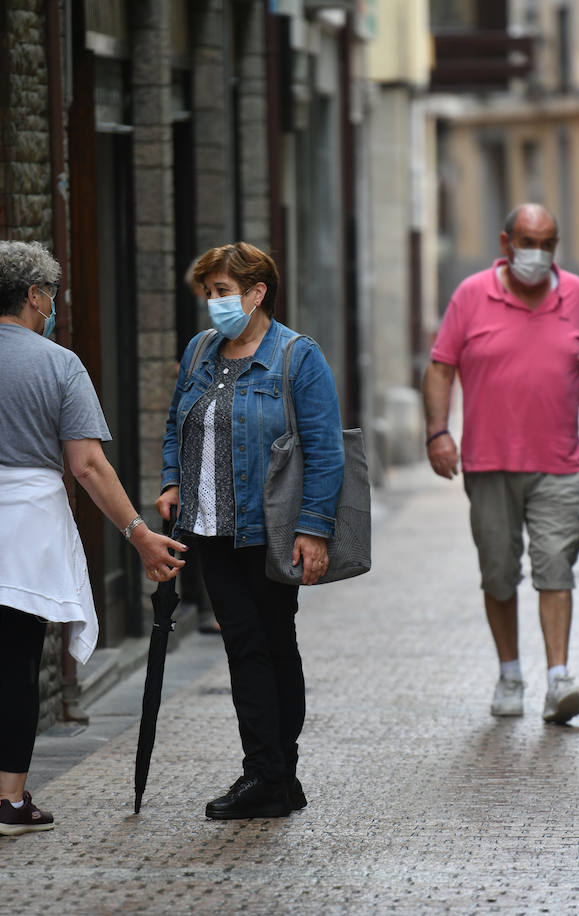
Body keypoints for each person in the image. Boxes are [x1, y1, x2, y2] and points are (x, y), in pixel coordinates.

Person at [0, 241, 185, 835]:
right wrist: (139, 536)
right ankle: (11, 802)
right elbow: (86, 465)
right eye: (49, 295)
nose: (51, 305)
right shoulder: (60, 364)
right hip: (24, 518)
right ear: (33, 296)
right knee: (20, 656)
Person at [157, 241, 344, 820]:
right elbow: (175, 425)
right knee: (247, 645)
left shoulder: (297, 357)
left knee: (273, 644)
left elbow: (325, 450)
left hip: (270, 529)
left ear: (257, 292)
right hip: (209, 529)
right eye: (208, 293)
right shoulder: (199, 353)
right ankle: (273, 776)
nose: (213, 304)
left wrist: (313, 530)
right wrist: (172, 482)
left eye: (221, 292)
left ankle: (271, 773)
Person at [424, 203, 579, 725]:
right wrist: (438, 433)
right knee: (499, 574)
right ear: (506, 244)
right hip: (489, 462)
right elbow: (440, 369)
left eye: (548, 244)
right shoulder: (470, 294)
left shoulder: (577, 295)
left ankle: (558, 680)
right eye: (528, 242)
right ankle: (509, 673)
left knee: (556, 566)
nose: (538, 254)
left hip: (558, 461)